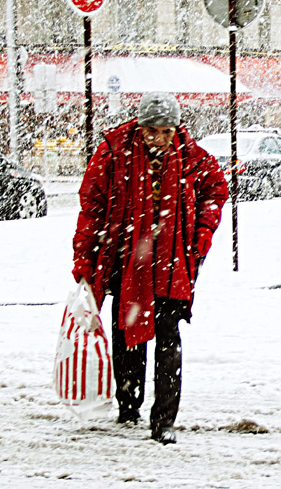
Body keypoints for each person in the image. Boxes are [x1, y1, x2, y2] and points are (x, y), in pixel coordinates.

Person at [71, 92, 229, 444]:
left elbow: (215, 192)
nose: (158, 138)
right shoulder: (113, 152)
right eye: (151, 131)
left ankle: (165, 421)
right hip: (126, 262)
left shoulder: (193, 158)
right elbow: (91, 208)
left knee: (168, 339)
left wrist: (199, 237)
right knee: (127, 335)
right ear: (139, 127)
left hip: (172, 263)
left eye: (165, 131)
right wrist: (84, 257)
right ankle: (129, 403)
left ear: (176, 128)